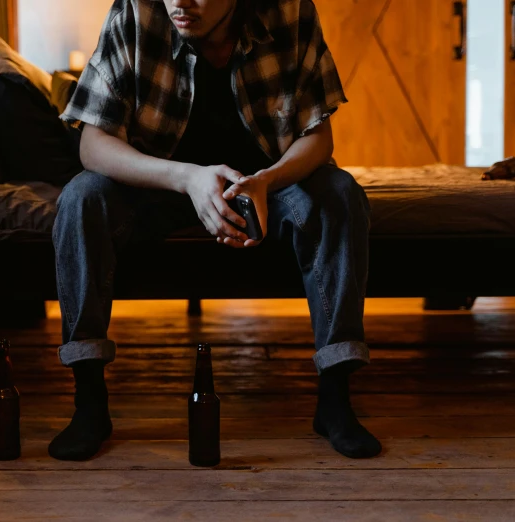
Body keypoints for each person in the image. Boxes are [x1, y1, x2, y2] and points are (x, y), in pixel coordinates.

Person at [48, 0, 381, 461]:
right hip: (163, 182)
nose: (181, 2)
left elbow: (318, 136)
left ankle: (335, 399)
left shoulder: (288, 11)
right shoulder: (136, 10)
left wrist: (266, 181)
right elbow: (92, 142)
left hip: (266, 182)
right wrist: (186, 177)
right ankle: (89, 403)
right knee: (80, 199)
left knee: (341, 193)